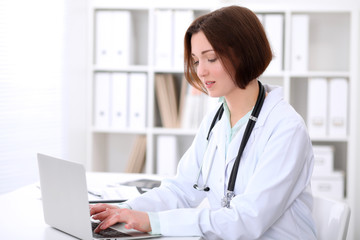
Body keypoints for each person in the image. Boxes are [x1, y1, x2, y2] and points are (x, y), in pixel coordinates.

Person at [90, 5, 317, 239]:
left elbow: (247, 220)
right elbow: (181, 189)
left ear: (245, 53)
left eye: (211, 58)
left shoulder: (286, 128)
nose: (201, 71)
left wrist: (152, 222)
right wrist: (124, 210)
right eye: (196, 61)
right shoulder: (216, 119)